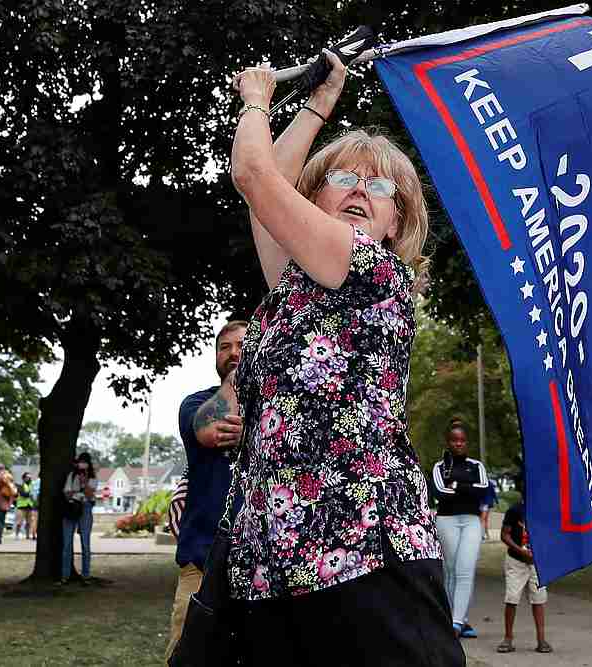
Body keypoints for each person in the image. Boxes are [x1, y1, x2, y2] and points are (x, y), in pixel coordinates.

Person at [226, 53, 462, 666]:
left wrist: (256, 99)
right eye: (344, 178)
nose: (362, 189)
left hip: (366, 550)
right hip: (277, 555)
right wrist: (321, 100)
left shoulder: (369, 268)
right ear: (313, 195)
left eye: (382, 187)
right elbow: (266, 199)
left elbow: (255, 175)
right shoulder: (297, 280)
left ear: (394, 222)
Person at [165, 320, 246, 663]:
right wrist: (236, 381)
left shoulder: (278, 407)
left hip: (261, 566)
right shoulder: (195, 404)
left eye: (242, 345)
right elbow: (211, 431)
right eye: (224, 347)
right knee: (188, 656)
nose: (233, 353)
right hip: (201, 561)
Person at [432, 418, 489, 638]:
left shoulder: (476, 466)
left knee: (466, 569)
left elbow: (482, 490)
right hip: (447, 520)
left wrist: (456, 486)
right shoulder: (440, 467)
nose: (459, 444)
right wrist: (467, 488)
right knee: (451, 569)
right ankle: (453, 618)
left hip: (471, 521)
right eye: (454, 440)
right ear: (448, 442)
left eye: (462, 440)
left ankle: (457, 622)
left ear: (467, 443)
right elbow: (438, 492)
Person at [497, 488, 552, 654]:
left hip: (537, 563)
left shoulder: (544, 510)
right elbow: (504, 535)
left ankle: (541, 640)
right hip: (516, 561)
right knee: (512, 598)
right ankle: (508, 638)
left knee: (539, 599)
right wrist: (521, 551)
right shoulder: (514, 511)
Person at [60, 453, 97, 584]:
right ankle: (65, 576)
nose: (82, 465)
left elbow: (90, 494)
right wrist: (77, 493)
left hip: (85, 508)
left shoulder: (92, 478)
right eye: (80, 462)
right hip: (71, 508)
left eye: (85, 462)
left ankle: (85, 575)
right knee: (67, 544)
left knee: (85, 544)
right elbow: (67, 494)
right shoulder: (72, 475)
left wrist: (84, 482)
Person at [0, 463, 16, 544]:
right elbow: (13, 491)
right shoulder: (9, 476)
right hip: (6, 503)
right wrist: (10, 503)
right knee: (1, 521)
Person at [14, 472, 36, 539]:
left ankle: (27, 535)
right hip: (21, 506)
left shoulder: (32, 484)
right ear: (23, 478)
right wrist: (30, 494)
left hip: (30, 506)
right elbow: (23, 494)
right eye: (27, 477)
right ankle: (17, 535)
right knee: (19, 522)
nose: (29, 478)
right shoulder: (20, 485)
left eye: (30, 477)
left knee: (29, 522)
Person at [480, 477, 498, 541]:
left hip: (483, 503)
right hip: (488, 504)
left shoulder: (482, 483)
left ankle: (482, 535)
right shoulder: (490, 483)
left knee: (482, 520)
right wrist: (496, 501)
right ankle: (487, 535)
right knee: (485, 520)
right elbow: (494, 494)